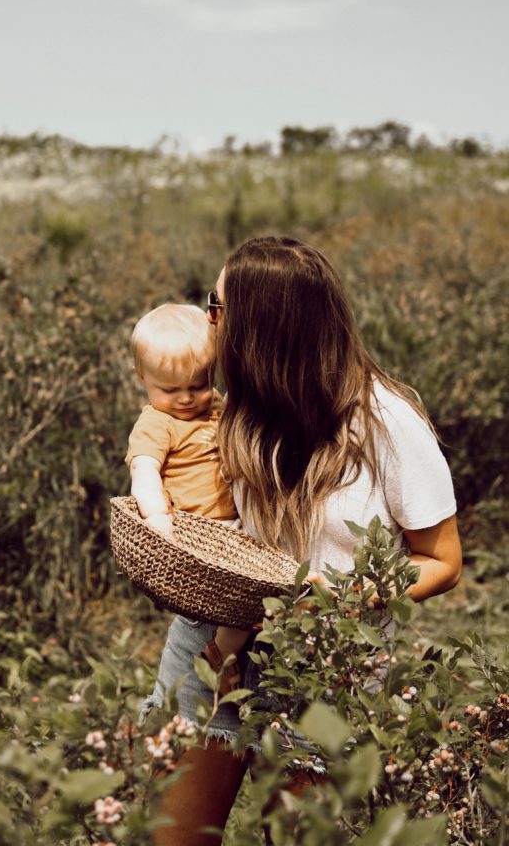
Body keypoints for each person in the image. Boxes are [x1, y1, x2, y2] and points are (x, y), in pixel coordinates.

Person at [142, 236, 462, 846]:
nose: (209, 317)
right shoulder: (236, 410)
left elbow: (442, 563)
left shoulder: (386, 424)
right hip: (214, 645)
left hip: (326, 666)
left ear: (261, 326)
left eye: (217, 305)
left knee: (296, 838)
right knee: (169, 836)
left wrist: (342, 597)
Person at [126, 303, 252, 693]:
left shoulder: (216, 407)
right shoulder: (156, 423)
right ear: (142, 377)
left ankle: (224, 656)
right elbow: (144, 470)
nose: (186, 398)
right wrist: (157, 516)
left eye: (198, 385)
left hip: (239, 525)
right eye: (170, 389)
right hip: (199, 532)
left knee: (258, 597)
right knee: (243, 603)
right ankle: (221, 658)